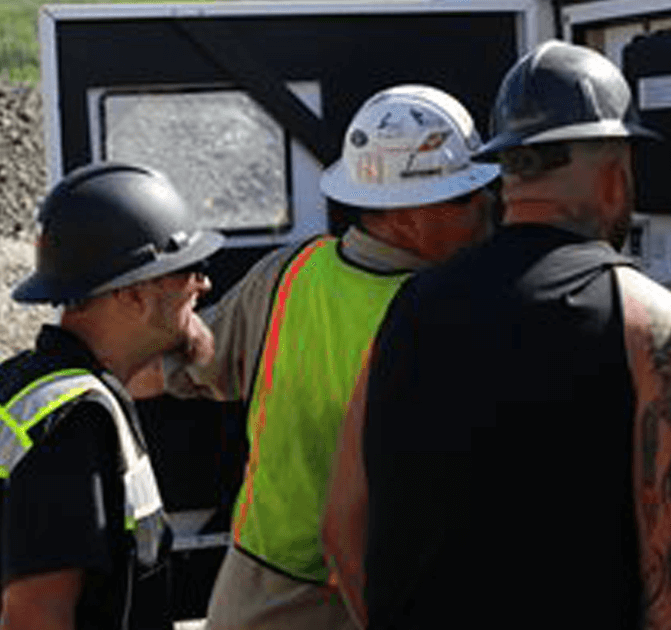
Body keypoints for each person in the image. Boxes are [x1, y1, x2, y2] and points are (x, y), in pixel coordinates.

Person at [320, 40, 671, 630]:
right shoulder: (649, 326)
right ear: (614, 178)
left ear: (507, 172)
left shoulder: (407, 310)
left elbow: (341, 529)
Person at [132, 85, 500, 630]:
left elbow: (152, 371)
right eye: (466, 197)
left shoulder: (289, 275)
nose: (490, 208)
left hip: (266, 595)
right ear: (405, 215)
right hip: (399, 592)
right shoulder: (462, 306)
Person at [0, 162, 223, 630]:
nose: (204, 284)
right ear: (135, 295)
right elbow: (36, 622)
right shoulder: (73, 423)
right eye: (189, 268)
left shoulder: (13, 386)